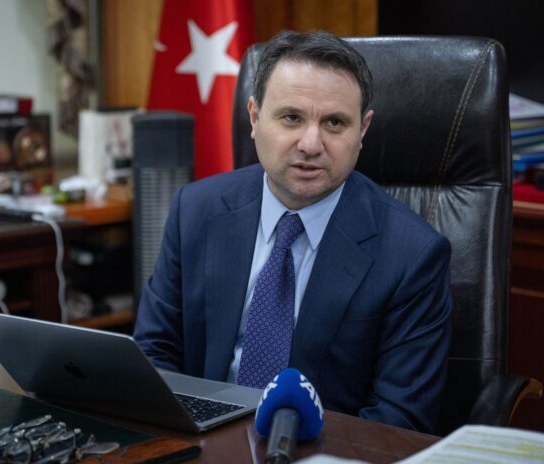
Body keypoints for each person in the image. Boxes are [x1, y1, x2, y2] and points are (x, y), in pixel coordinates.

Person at [133, 29, 452, 434]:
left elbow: (399, 421)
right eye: (291, 118)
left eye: (334, 123)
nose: (311, 144)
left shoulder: (413, 255)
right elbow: (154, 354)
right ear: (254, 117)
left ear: (363, 130)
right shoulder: (195, 211)